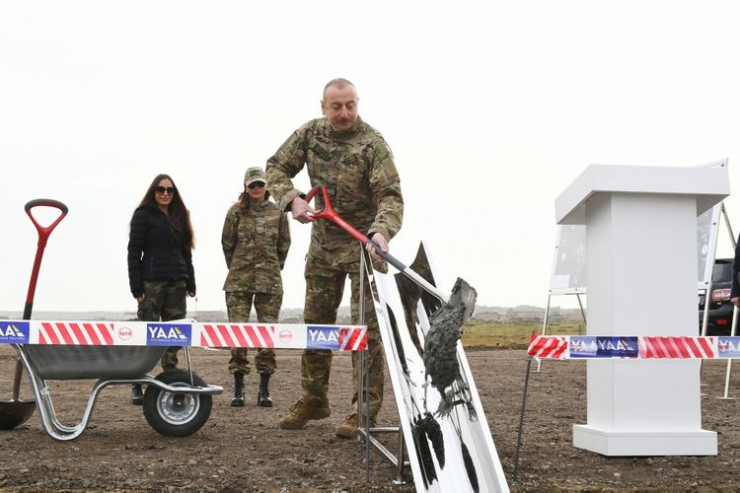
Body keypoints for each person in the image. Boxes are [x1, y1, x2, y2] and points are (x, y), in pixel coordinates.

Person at [265, 78, 403, 438]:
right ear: (323, 106)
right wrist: (292, 199)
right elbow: (276, 167)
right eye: (336, 106)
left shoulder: (373, 144)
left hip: (364, 249)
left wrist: (381, 232)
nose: (344, 113)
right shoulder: (309, 135)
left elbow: (391, 197)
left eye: (350, 105)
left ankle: (364, 412)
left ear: (357, 103)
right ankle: (313, 400)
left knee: (365, 333)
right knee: (317, 327)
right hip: (324, 249)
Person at [221, 166, 291, 407]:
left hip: (269, 283)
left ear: (266, 186)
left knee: (267, 337)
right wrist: (239, 267)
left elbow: (284, 245)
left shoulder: (278, 213)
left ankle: (264, 390)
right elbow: (227, 244)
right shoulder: (236, 212)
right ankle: (238, 389)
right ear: (246, 187)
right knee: (238, 335)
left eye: (260, 184)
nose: (257, 188)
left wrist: (271, 268)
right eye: (252, 185)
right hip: (239, 282)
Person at [127, 174, 196, 404]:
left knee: (174, 336)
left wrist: (191, 281)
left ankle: (171, 380)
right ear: (153, 191)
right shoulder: (142, 215)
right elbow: (134, 252)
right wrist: (135, 286)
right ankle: (137, 383)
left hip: (177, 283)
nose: (165, 194)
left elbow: (186, 251)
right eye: (160, 189)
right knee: (146, 335)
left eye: (169, 190)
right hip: (151, 284)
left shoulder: (180, 215)